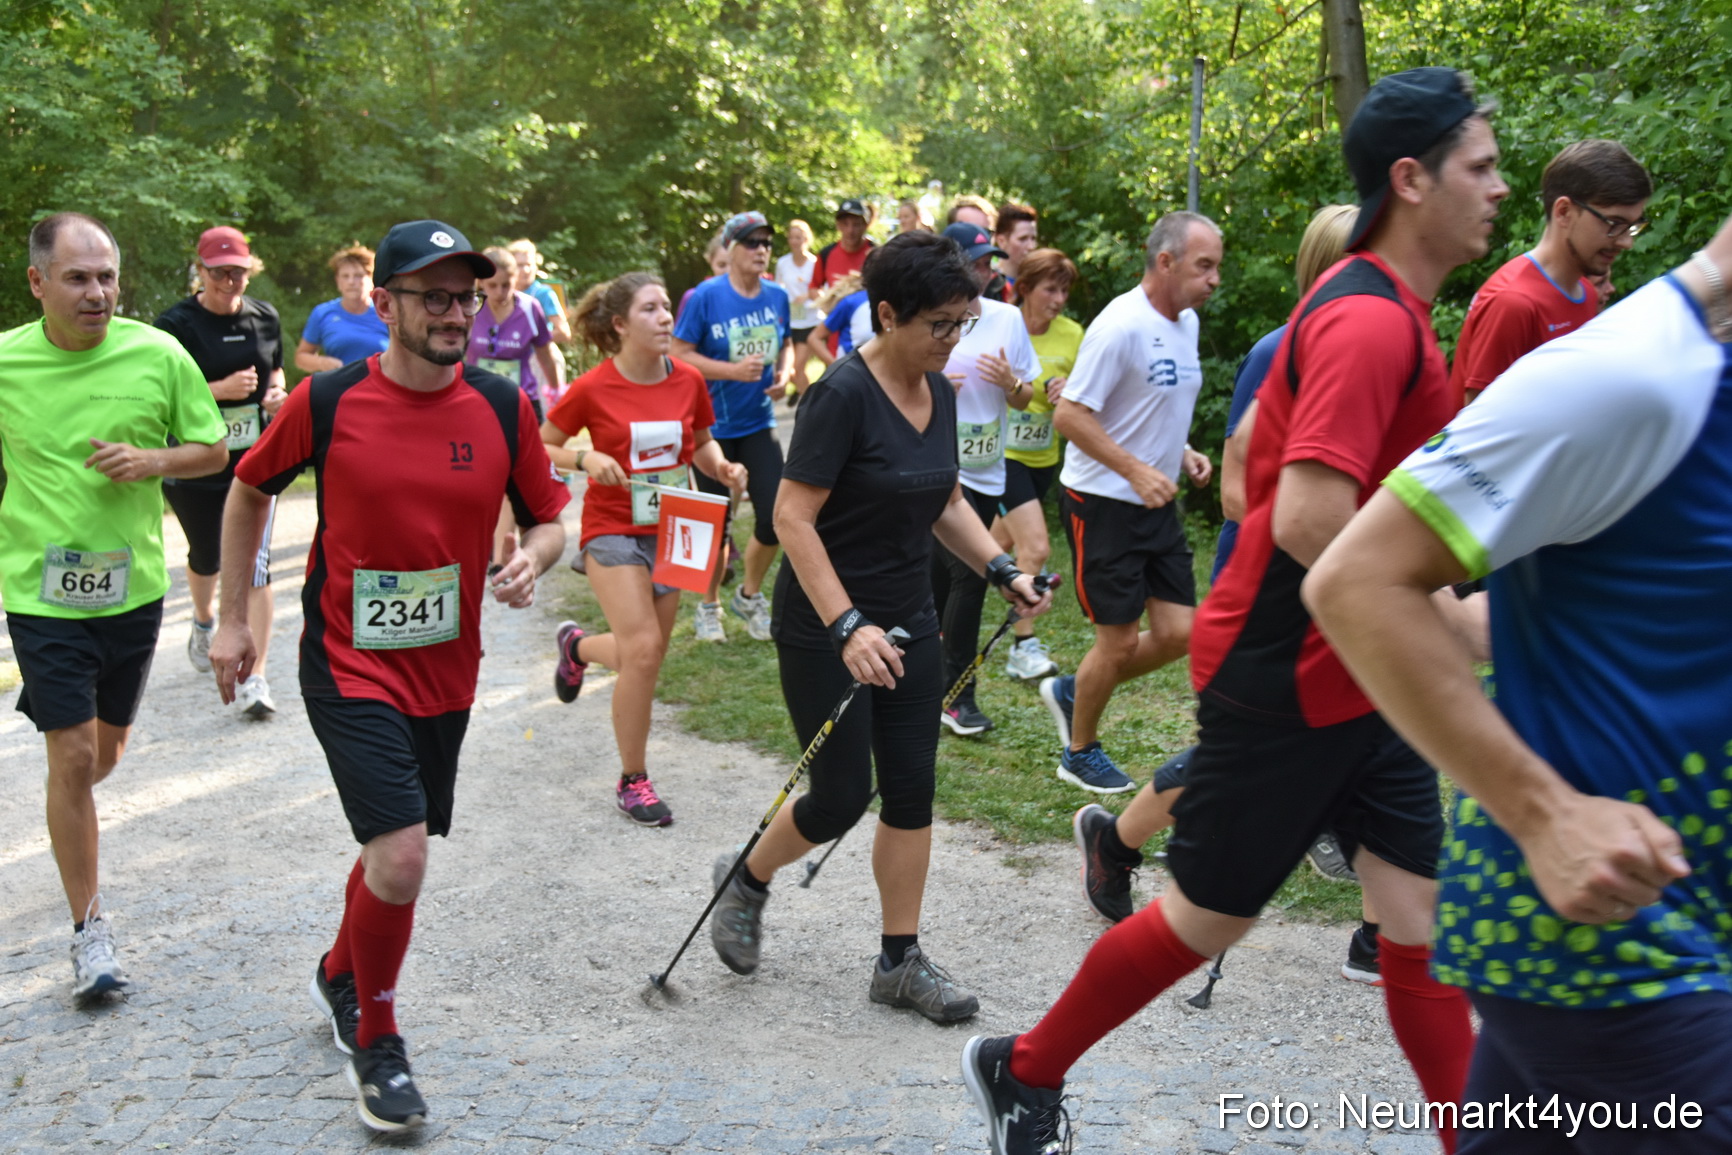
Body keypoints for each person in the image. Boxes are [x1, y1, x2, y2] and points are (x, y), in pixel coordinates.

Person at [965, 69, 1504, 1155]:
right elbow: (1306, 519)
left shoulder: (1388, 306)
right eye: (1481, 167)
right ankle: (1020, 1069)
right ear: (1411, 179)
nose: (1500, 188)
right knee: (1206, 919)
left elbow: (1266, 460)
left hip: (1364, 669)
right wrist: (1455, 627)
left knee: (1420, 930)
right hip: (1291, 672)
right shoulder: (1364, 322)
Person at [1307, 219, 1732, 1153]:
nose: (1494, 191)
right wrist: (1544, 815)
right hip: (1619, 939)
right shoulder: (1617, 362)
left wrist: (1520, 626)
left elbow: (1623, 572)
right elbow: (1342, 557)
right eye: (1477, 166)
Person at [209, 219, 569, 1133]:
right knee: (403, 854)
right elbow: (250, 488)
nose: (457, 312)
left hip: (447, 672)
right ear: (392, 304)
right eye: (435, 296)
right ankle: (377, 1036)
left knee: (389, 852)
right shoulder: (329, 404)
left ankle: (340, 968)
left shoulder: (499, 407)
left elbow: (549, 517)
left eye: (467, 295)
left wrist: (534, 556)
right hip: (346, 659)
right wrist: (229, 620)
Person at [706, 231, 1052, 1021]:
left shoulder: (945, 389)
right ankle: (747, 878)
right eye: (940, 324)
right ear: (886, 314)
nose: (954, 339)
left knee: (910, 791)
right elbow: (792, 517)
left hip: (909, 622)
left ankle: (900, 960)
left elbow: (945, 500)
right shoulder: (841, 394)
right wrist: (848, 624)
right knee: (838, 796)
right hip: (827, 625)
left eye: (963, 322)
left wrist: (1004, 571)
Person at [1074, 206, 1389, 986]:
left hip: (1349, 577)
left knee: (1370, 740)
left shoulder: (1385, 347)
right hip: (1271, 582)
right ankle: (1115, 837)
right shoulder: (1278, 350)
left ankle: (1381, 929)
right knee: (1244, 751)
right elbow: (1246, 492)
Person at [1, 212, 226, 1000]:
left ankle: (69, 749)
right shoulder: (6, 365)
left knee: (102, 758)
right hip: (39, 592)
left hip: (130, 592)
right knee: (69, 757)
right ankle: (89, 932)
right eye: (77, 277)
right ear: (38, 283)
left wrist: (153, 459)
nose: (97, 292)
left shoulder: (158, 353)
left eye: (105, 277)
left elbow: (213, 448)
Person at [541, 272, 746, 826]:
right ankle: (634, 779)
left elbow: (701, 445)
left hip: (676, 528)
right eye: (651, 309)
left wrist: (722, 467)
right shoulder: (593, 388)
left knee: (646, 656)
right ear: (620, 324)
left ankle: (578, 649)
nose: (664, 318)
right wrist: (585, 459)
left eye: (665, 309)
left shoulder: (687, 381)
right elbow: (543, 444)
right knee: (644, 649)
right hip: (612, 530)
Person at [1034, 212, 1219, 791]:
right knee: (1115, 642)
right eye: (1204, 265)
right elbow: (1070, 414)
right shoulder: (1120, 326)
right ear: (1165, 262)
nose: (1215, 279)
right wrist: (1137, 469)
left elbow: (1148, 405)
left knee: (1179, 632)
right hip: (1104, 502)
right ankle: (1079, 749)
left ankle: (1075, 687)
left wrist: (1182, 451)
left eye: (1218, 266)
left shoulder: (1184, 323)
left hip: (1154, 502)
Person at [155, 225, 288, 719]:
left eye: (239, 273)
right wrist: (220, 389)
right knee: (207, 556)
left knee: (257, 563)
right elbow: (163, 398)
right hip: (196, 458)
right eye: (220, 273)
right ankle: (205, 619)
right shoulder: (175, 325)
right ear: (202, 271)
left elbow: (275, 370)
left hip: (254, 462)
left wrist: (275, 393)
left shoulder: (264, 317)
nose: (231, 282)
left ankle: (256, 678)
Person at [931, 222, 1041, 736]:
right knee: (962, 577)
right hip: (934, 466)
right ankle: (956, 695)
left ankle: (941, 687)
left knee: (954, 576)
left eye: (989, 261)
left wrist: (1011, 383)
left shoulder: (1006, 317)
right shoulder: (929, 315)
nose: (986, 270)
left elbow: (1025, 396)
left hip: (986, 467)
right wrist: (934, 386)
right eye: (976, 262)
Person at [1452, 139, 1651, 403]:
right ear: (1564, 212)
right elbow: (1479, 428)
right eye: (1614, 223)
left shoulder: (1586, 294)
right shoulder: (1513, 304)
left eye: (1633, 227)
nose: (1626, 242)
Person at [672, 211, 792, 643]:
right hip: (713, 429)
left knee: (776, 518)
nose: (761, 249)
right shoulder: (705, 297)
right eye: (751, 242)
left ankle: (748, 594)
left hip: (759, 423)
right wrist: (728, 370)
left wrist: (784, 373)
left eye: (766, 242)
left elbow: (787, 342)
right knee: (714, 523)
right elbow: (679, 350)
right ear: (731, 249)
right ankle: (709, 607)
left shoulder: (777, 296)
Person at [992, 248, 1081, 682]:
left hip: (1044, 458)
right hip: (1001, 456)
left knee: (987, 550)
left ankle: (936, 605)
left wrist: (1073, 391)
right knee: (1036, 549)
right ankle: (1022, 647)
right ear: (1024, 289)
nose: (1059, 298)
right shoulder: (1001, 325)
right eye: (1050, 288)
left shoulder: (1073, 335)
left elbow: (1088, 395)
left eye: (1064, 290)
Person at [466, 246, 559, 419]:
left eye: (506, 285)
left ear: (515, 280)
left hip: (521, 400)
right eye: (492, 285)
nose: (499, 292)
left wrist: (555, 392)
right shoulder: (471, 308)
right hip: (478, 400)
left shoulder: (530, 308)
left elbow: (545, 355)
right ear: (481, 283)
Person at [294, 244, 391, 373]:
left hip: (380, 387)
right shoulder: (322, 313)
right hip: (338, 388)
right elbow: (301, 357)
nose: (351, 282)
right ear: (337, 281)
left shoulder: (387, 313)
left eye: (358, 276)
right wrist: (322, 363)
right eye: (345, 276)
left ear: (372, 279)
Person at [506, 238, 573, 402]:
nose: (526, 270)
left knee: (542, 413)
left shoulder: (543, 293)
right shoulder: (504, 294)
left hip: (542, 360)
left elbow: (564, 332)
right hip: (512, 360)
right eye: (520, 265)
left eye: (530, 264)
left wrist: (533, 339)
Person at [812, 199, 877, 357]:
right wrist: (829, 302)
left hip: (868, 337)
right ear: (838, 225)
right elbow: (813, 287)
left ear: (866, 224)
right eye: (845, 224)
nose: (850, 230)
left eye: (856, 224)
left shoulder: (875, 253)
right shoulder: (827, 254)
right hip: (835, 335)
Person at [775, 219, 824, 396]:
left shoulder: (815, 262)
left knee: (798, 365)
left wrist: (808, 296)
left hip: (810, 321)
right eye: (792, 237)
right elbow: (777, 287)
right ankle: (808, 396)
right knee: (789, 370)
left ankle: (808, 403)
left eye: (799, 237)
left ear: (806, 239)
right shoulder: (782, 263)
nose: (795, 241)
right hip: (790, 321)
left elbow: (822, 290)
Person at [991, 202, 1039, 302]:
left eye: (1033, 238)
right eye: (1023, 239)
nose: (1031, 246)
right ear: (1001, 241)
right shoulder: (988, 285)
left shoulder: (1038, 285)